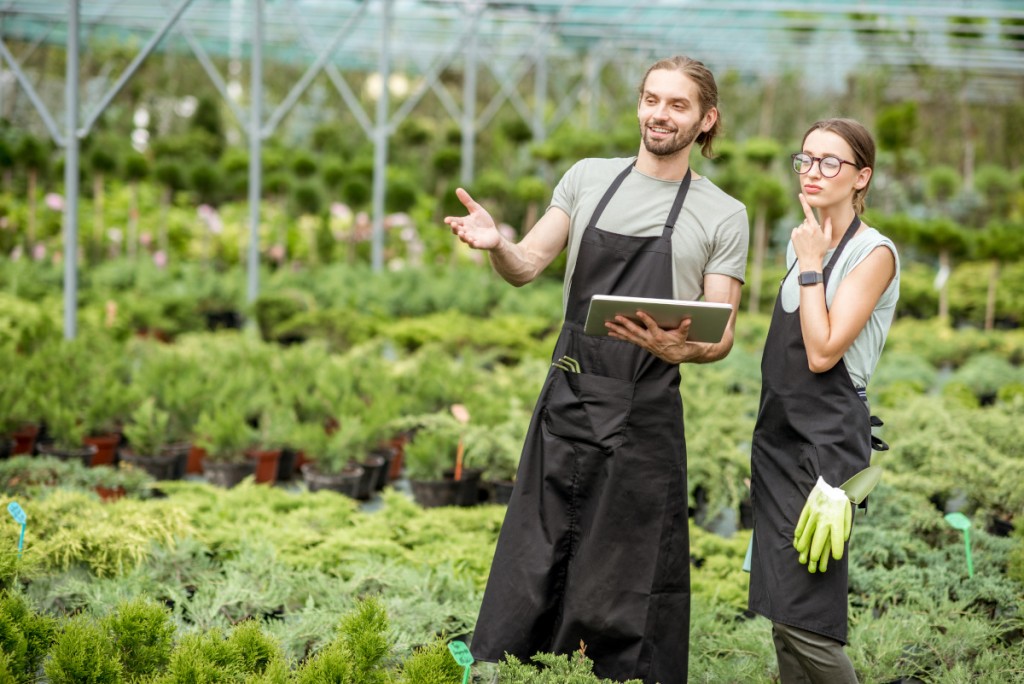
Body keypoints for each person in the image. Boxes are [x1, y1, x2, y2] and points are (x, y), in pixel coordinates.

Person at [445, 55, 749, 684]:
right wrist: (498, 244)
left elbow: (719, 332)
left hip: (646, 410)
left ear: (706, 119)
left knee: (628, 570)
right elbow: (528, 263)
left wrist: (681, 349)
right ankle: (510, 672)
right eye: (650, 99)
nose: (659, 114)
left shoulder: (724, 214)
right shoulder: (588, 179)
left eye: (677, 104)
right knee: (534, 556)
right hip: (570, 396)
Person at [746, 118, 899, 684]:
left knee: (808, 622)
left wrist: (810, 265)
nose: (812, 172)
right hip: (780, 445)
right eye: (805, 159)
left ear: (862, 176)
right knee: (783, 621)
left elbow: (822, 352)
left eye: (830, 162)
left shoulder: (872, 253)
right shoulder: (810, 240)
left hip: (824, 454)